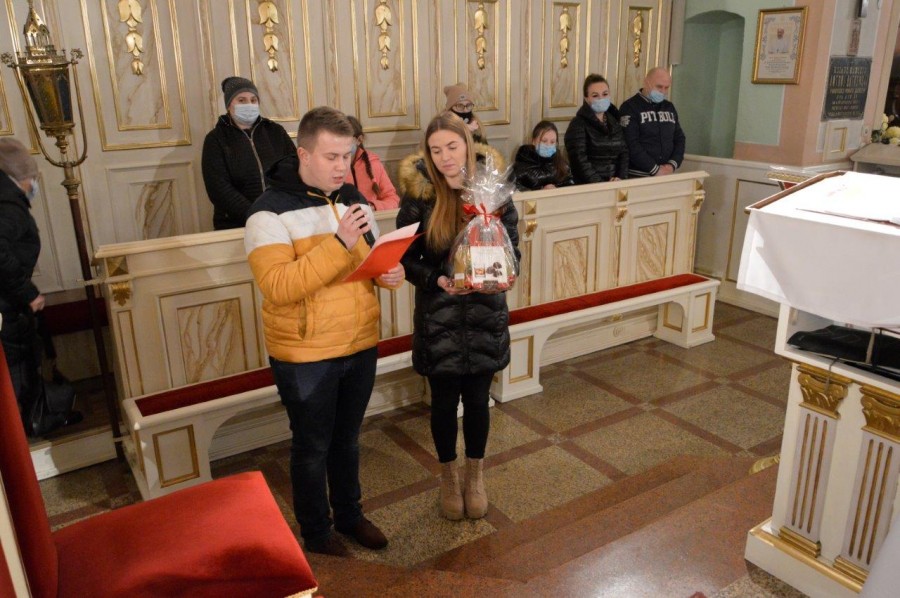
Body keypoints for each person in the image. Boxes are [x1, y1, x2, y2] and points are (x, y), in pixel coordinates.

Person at [244, 106, 404, 556]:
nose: (341, 166)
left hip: (359, 341)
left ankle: (350, 516)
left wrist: (387, 274)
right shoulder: (267, 213)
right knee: (312, 447)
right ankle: (316, 534)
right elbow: (279, 287)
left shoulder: (353, 198)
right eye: (331, 156)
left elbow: (367, 260)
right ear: (304, 154)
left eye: (347, 155)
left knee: (347, 441)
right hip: (306, 353)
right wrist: (339, 244)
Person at [396, 112, 519, 521]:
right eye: (435, 150)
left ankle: (475, 475)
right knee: (444, 404)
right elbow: (405, 259)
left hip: (485, 313)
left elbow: (513, 250)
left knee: (479, 401)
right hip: (440, 318)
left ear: (468, 144)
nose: (445, 157)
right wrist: (436, 279)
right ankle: (449, 476)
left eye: (452, 146)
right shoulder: (420, 196)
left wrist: (498, 273)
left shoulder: (493, 192)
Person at [0, 138, 80, 436]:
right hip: (7, 306)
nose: (34, 184)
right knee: (16, 374)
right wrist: (28, 293)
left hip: (9, 302)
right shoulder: (7, 205)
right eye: (33, 177)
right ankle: (23, 431)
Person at [202, 76, 296, 230]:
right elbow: (219, 189)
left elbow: (293, 169)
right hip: (236, 224)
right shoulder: (215, 139)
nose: (249, 105)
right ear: (229, 105)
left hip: (280, 219)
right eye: (241, 100)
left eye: (253, 100)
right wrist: (255, 215)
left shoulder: (275, 131)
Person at [619, 67, 686, 178]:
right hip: (638, 175)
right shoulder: (630, 107)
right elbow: (631, 143)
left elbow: (679, 138)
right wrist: (654, 169)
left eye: (666, 88)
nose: (663, 91)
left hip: (666, 174)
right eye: (659, 87)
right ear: (646, 82)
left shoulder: (669, 107)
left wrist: (672, 165)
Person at [564, 74, 629, 184]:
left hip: (615, 183)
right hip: (590, 186)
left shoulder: (614, 121)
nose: (601, 98)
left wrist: (620, 178)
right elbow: (579, 161)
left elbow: (624, 152)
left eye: (605, 94)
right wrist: (601, 184)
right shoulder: (577, 124)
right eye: (595, 95)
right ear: (586, 98)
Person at [344, 115, 401, 210]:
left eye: (346, 139)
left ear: (359, 140)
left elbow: (393, 199)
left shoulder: (373, 163)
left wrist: (373, 207)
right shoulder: (332, 167)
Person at [512, 120, 574, 191]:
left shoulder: (563, 164)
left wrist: (556, 190)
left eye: (552, 142)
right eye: (544, 141)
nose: (548, 145)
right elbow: (513, 190)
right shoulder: (521, 165)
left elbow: (571, 186)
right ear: (534, 141)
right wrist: (540, 192)